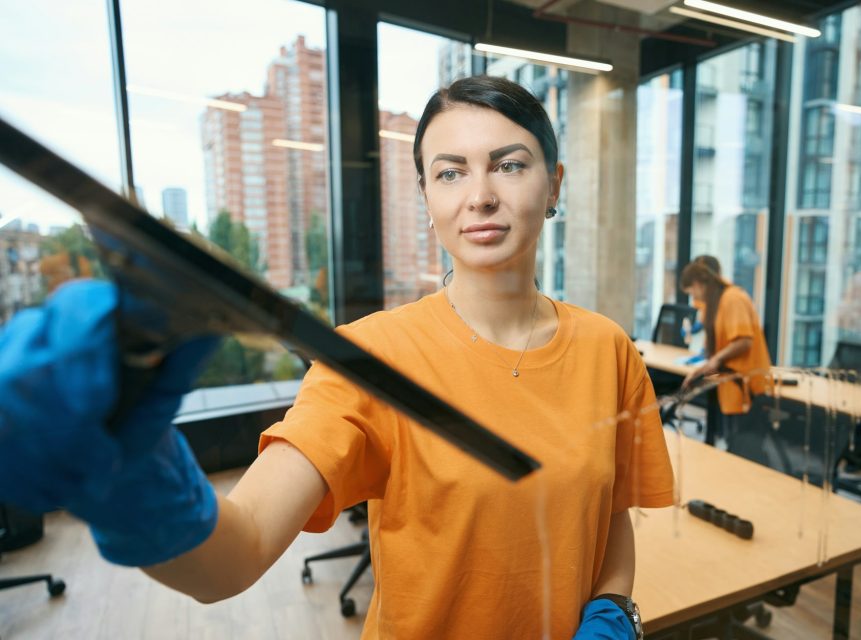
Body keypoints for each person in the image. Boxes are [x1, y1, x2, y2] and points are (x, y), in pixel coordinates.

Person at [0, 76, 675, 640]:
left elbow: (611, 515)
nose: (480, 196)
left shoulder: (607, 348)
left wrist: (613, 609)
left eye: (510, 163)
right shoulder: (372, 358)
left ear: (553, 185)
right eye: (450, 172)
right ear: (426, 198)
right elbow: (236, 555)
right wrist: (132, 473)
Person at [678, 260, 772, 461]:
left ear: (699, 284)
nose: (694, 299)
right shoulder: (715, 303)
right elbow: (718, 349)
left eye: (692, 292)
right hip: (731, 385)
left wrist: (716, 360)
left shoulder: (732, 298)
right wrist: (701, 370)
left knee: (745, 452)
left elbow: (744, 340)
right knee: (734, 445)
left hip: (747, 389)